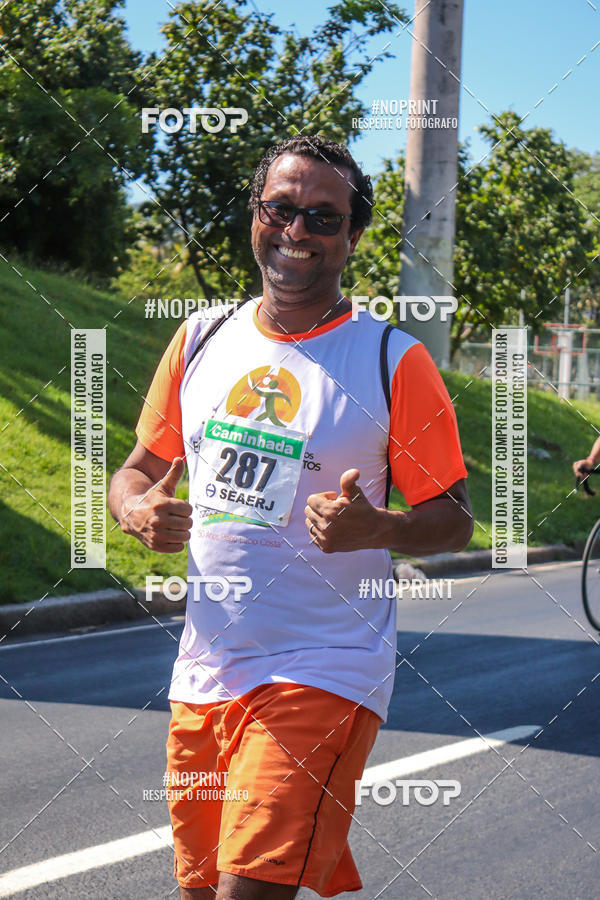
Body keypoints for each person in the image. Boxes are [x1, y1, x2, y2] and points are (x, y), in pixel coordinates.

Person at [108, 135, 473, 900]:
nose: (297, 231)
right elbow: (136, 471)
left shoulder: (392, 361)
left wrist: (379, 528)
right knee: (199, 891)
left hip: (325, 668)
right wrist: (139, 510)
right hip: (205, 670)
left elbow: (453, 521)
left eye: (323, 217)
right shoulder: (201, 339)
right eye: (280, 209)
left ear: (353, 236)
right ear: (255, 215)